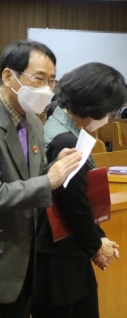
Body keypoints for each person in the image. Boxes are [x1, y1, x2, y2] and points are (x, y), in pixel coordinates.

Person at [32, 62, 127, 318]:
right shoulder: (64, 139)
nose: (108, 116)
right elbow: (74, 203)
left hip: (70, 249)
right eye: (109, 109)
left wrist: (98, 239)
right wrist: (97, 245)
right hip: (59, 256)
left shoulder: (62, 125)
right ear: (95, 105)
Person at [0, 41, 82, 318]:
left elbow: (30, 177)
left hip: (24, 259)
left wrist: (54, 167)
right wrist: (49, 180)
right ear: (8, 76)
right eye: (38, 79)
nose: (47, 89)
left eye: (51, 81)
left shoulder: (33, 121)